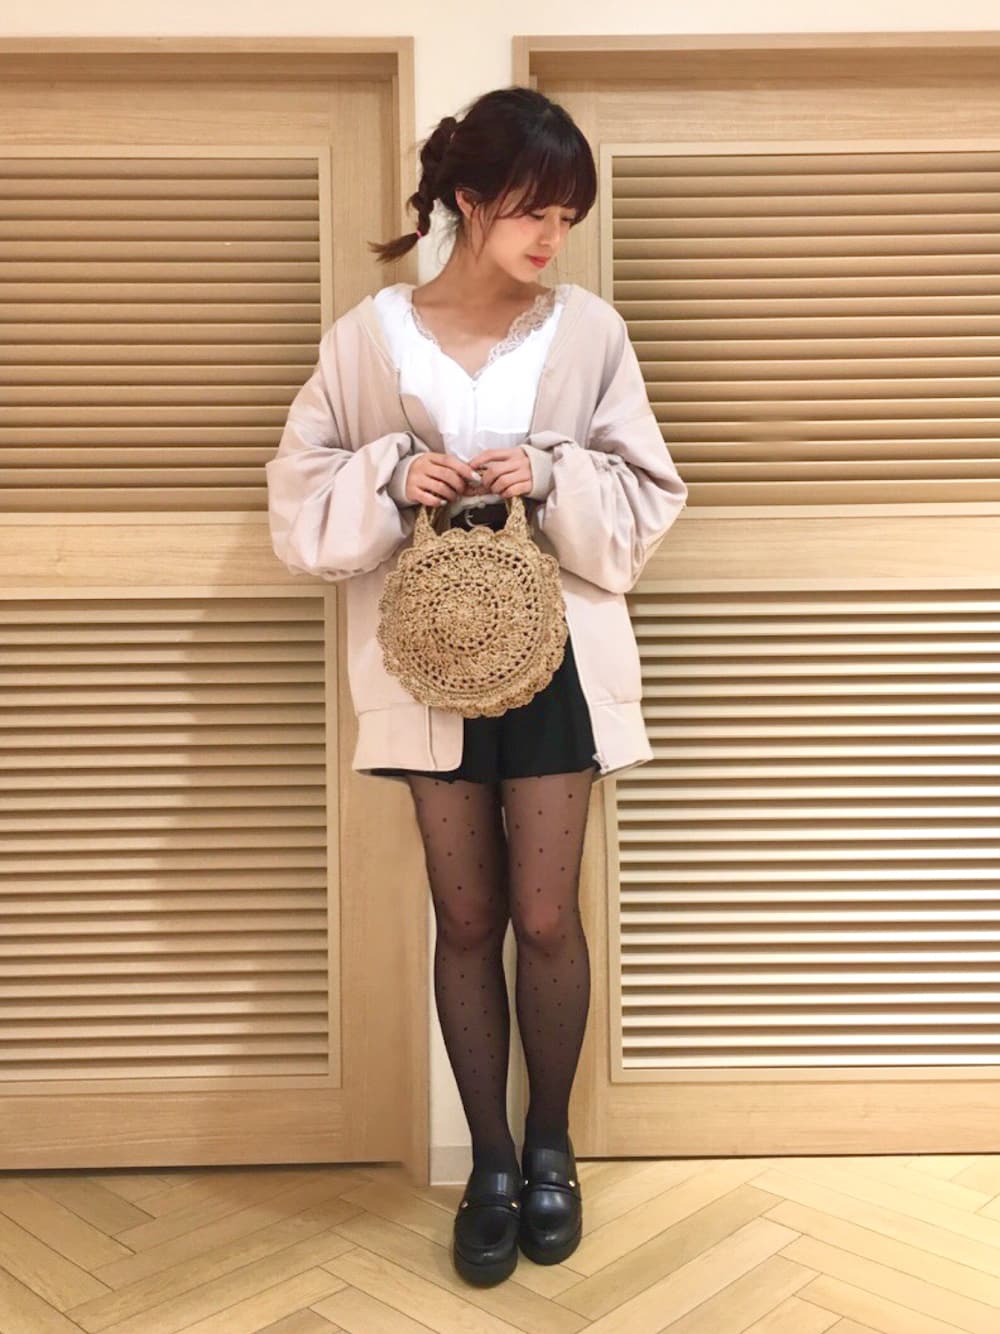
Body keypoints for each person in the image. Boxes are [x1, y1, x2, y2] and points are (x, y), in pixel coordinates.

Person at [265, 84, 688, 1289]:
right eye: (531, 211)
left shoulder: (590, 333)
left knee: (545, 917)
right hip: (428, 662)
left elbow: (649, 493)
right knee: (465, 919)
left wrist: (549, 473)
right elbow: (297, 491)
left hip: (557, 664)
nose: (552, 238)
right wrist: (392, 475)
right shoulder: (365, 338)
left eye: (566, 217)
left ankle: (551, 1144)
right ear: (468, 198)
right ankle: (489, 1164)